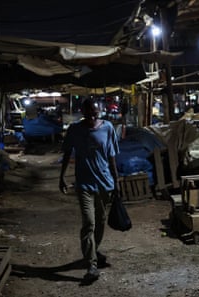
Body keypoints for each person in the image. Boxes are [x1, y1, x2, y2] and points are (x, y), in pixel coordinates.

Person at [59, 98, 120, 284]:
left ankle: (93, 250)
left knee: (100, 221)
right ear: (83, 112)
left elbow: (111, 157)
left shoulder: (107, 128)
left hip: (104, 184)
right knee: (89, 223)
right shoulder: (75, 130)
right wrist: (62, 176)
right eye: (89, 112)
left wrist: (117, 182)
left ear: (99, 111)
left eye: (95, 112)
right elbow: (67, 152)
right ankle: (92, 265)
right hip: (84, 184)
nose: (93, 115)